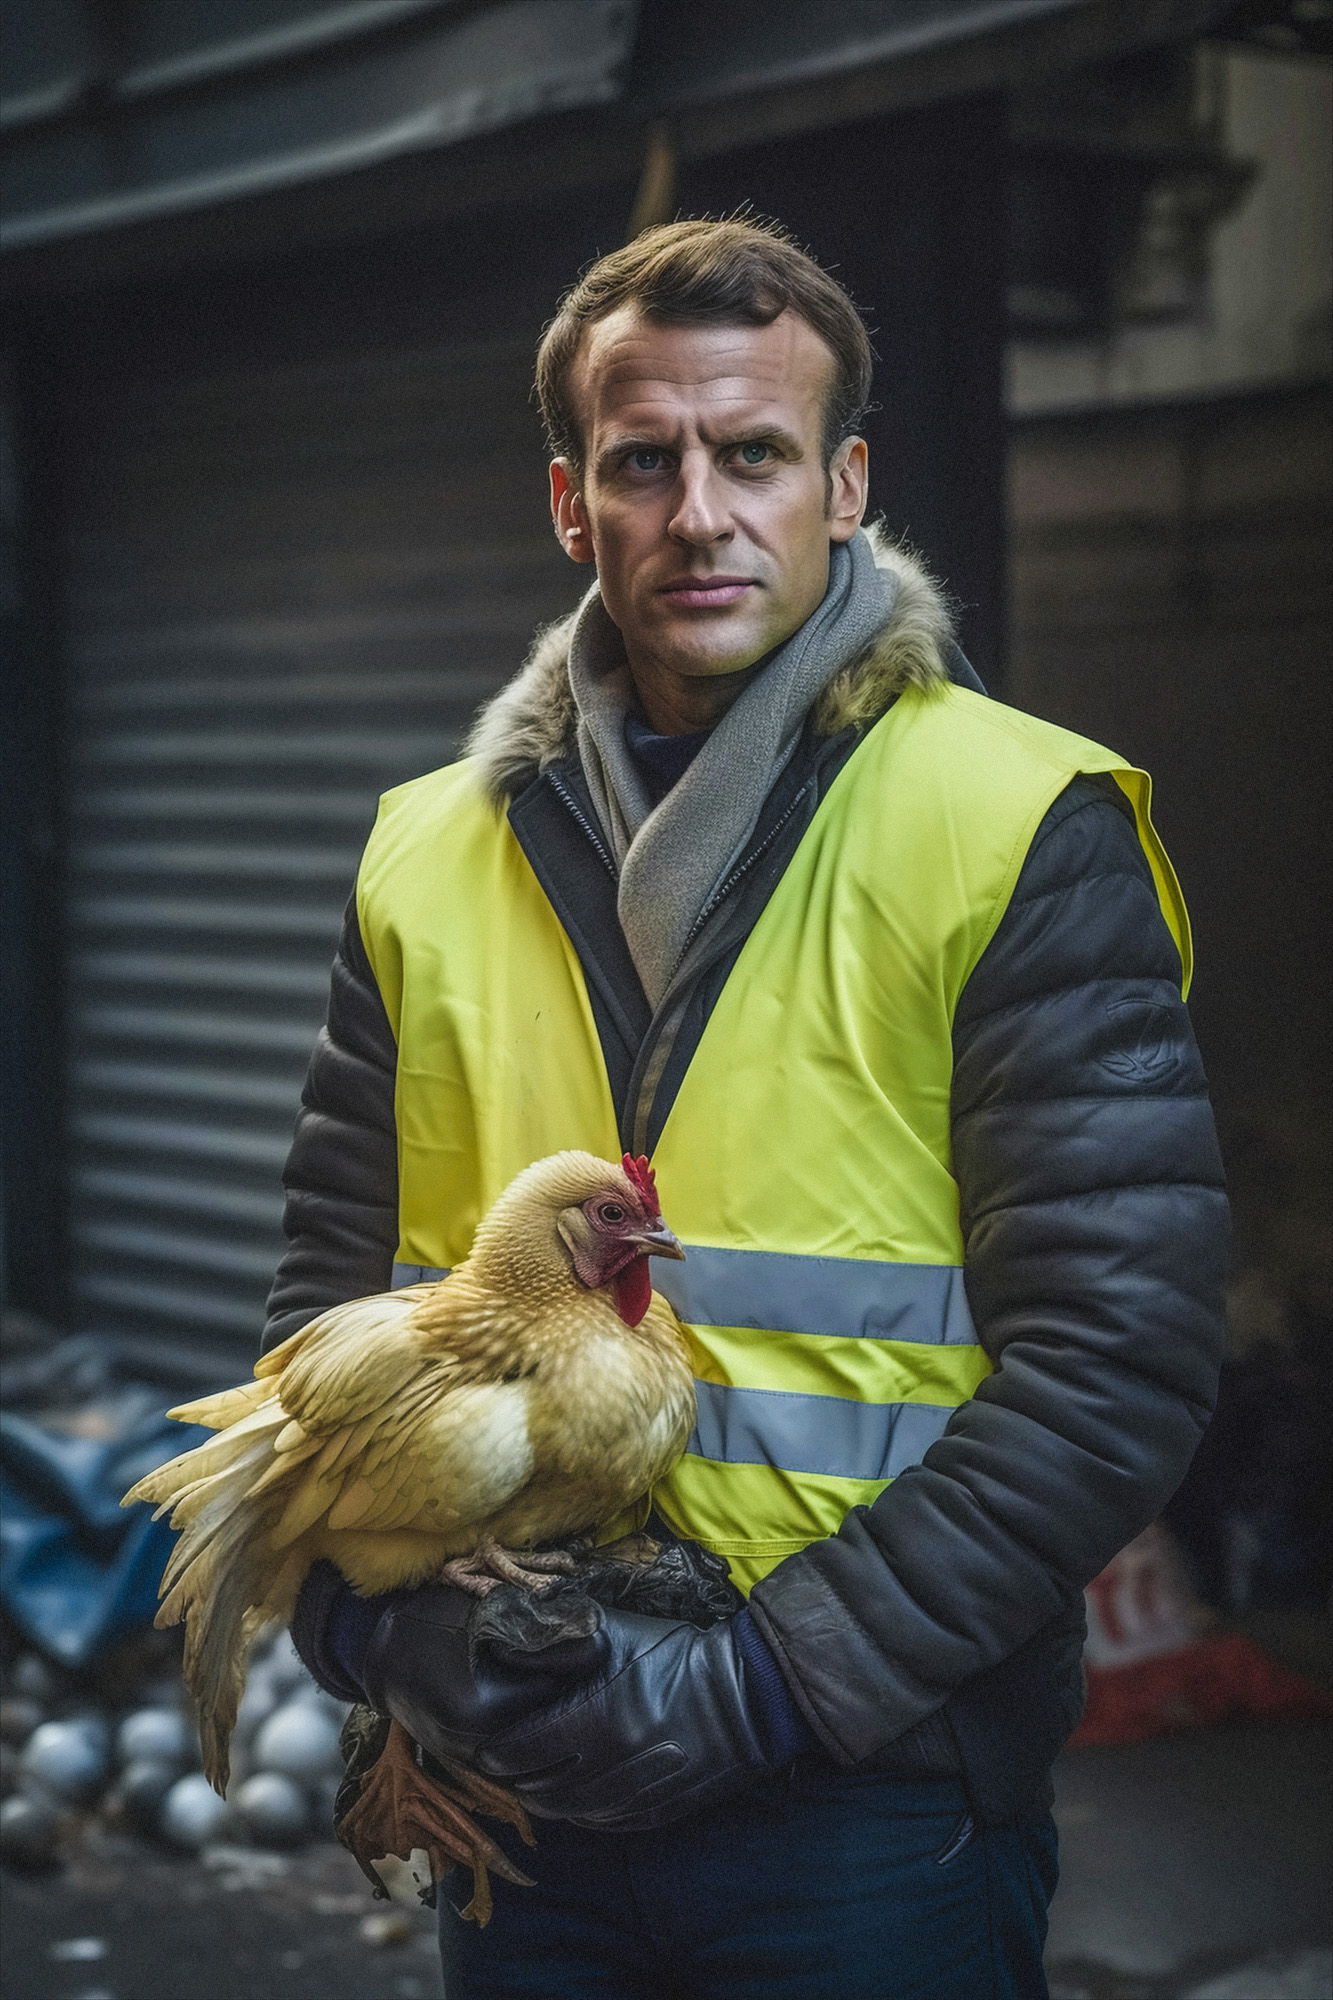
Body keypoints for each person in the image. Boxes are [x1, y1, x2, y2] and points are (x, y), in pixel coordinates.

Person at [273, 218, 1228, 1998]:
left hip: (861, 1800)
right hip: (516, 1774)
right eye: (643, 461)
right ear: (573, 504)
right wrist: (377, 1637)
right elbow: (321, 1319)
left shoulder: (1016, 825)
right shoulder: (425, 850)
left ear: (844, 484)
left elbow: (1119, 1366)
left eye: (754, 455)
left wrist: (760, 1689)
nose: (697, 511)